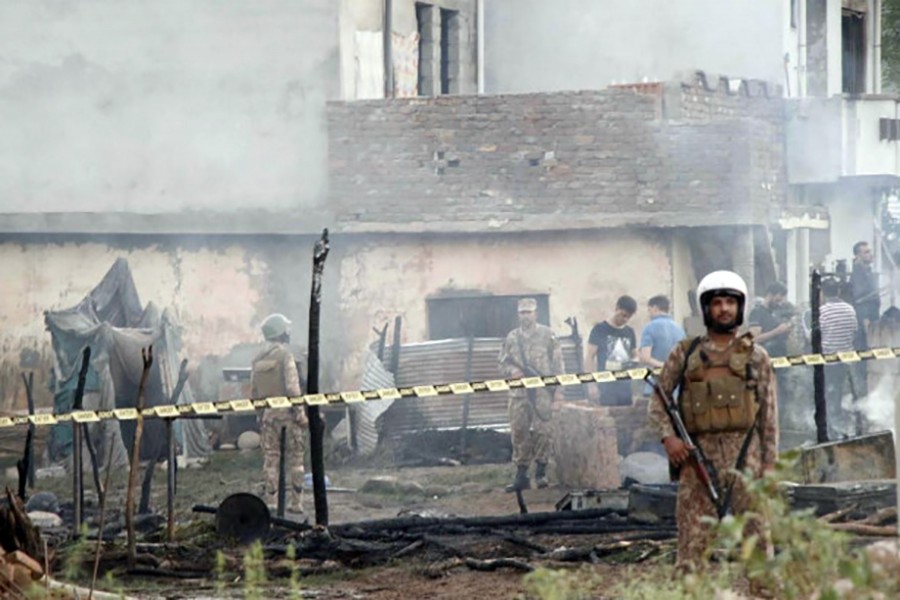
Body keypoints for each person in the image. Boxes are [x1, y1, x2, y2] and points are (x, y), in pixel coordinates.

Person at [647, 271, 778, 573]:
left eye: (730, 302)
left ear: (740, 307)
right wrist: (669, 438)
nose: (724, 309)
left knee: (758, 538)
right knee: (692, 541)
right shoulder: (685, 353)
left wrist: (770, 465)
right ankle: (690, 591)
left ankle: (764, 592)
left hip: (747, 457)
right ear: (706, 308)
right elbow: (658, 401)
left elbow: (769, 415)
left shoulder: (757, 357)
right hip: (697, 458)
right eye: (717, 303)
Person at [498, 298, 564, 492]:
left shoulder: (548, 335)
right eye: (522, 312)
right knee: (519, 431)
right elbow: (502, 362)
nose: (525, 316)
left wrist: (558, 393)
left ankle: (541, 473)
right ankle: (521, 475)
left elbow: (558, 365)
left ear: (536, 313)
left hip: (542, 393)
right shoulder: (512, 337)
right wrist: (511, 371)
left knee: (544, 431)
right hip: (518, 394)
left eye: (529, 312)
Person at [251, 313, 307, 513]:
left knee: (270, 461)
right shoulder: (285, 356)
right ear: (281, 332)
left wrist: (260, 415)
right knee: (296, 459)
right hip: (288, 416)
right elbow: (293, 388)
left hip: (268, 417)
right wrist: (300, 413)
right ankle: (296, 503)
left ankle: (271, 502)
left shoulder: (257, 359)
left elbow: (254, 392)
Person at [820, 277, 860, 438]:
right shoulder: (850, 309)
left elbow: (815, 336)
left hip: (828, 360)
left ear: (823, 293)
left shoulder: (822, 312)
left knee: (830, 394)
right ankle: (846, 425)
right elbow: (854, 331)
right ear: (838, 291)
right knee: (842, 392)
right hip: (847, 359)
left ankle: (832, 428)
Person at [586, 295, 638, 406]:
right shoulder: (600, 329)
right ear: (617, 308)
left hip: (625, 387)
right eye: (623, 315)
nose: (625, 319)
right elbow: (590, 357)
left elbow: (635, 356)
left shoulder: (629, 332)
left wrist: (633, 364)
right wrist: (591, 384)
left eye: (628, 317)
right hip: (605, 387)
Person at [638, 295, 686, 395]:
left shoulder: (649, 328)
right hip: (675, 387)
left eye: (649, 310)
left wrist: (663, 366)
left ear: (655, 308)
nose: (649, 314)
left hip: (655, 387)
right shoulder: (680, 329)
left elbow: (645, 358)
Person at [850, 241, 880, 336]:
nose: (871, 255)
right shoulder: (858, 273)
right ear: (858, 256)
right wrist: (865, 319)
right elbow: (860, 297)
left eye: (870, 251)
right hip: (866, 317)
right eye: (866, 252)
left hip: (873, 314)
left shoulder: (868, 271)